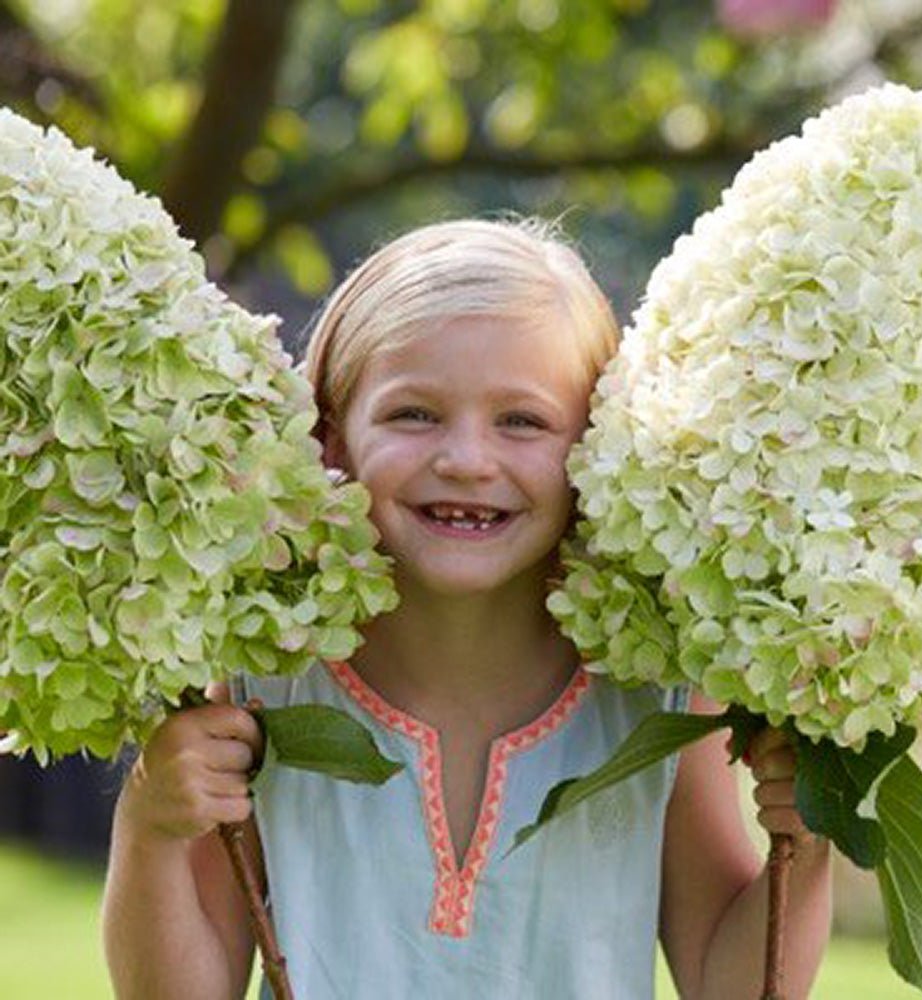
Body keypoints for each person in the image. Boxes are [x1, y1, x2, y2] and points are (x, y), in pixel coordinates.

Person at [102, 218, 831, 999]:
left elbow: (733, 985)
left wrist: (814, 839)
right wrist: (151, 824)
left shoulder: (653, 695)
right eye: (413, 414)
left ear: (597, 448)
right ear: (331, 438)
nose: (466, 460)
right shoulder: (270, 684)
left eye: (522, 421)